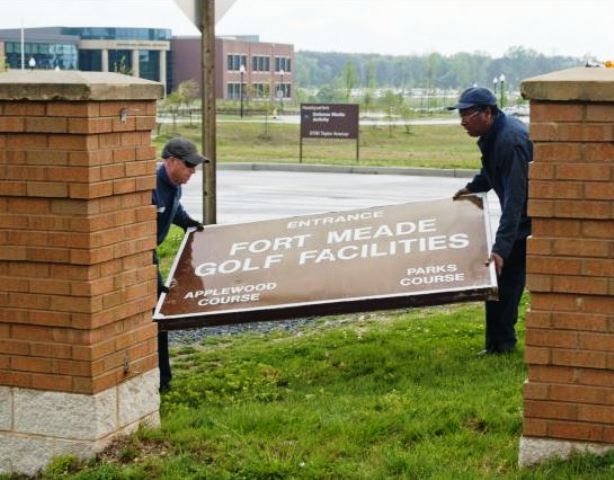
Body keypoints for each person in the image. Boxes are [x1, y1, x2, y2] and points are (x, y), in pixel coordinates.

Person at [448, 87, 532, 355]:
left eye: (468, 114)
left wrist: (500, 249)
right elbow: (491, 170)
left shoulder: (511, 141)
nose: (462, 121)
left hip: (529, 223)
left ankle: (502, 346)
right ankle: (496, 345)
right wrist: (473, 187)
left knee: (503, 281)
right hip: (519, 220)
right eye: (460, 114)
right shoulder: (494, 135)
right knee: (496, 282)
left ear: (488, 112)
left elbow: (515, 202)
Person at [153, 137, 206, 391]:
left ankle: (164, 380)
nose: (193, 172)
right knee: (156, 314)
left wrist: (190, 224)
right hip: (139, 256)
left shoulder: (175, 185)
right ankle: (159, 381)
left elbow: (176, 209)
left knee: (158, 318)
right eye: (189, 166)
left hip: (149, 255)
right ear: (171, 161)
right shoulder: (150, 187)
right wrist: (152, 276)